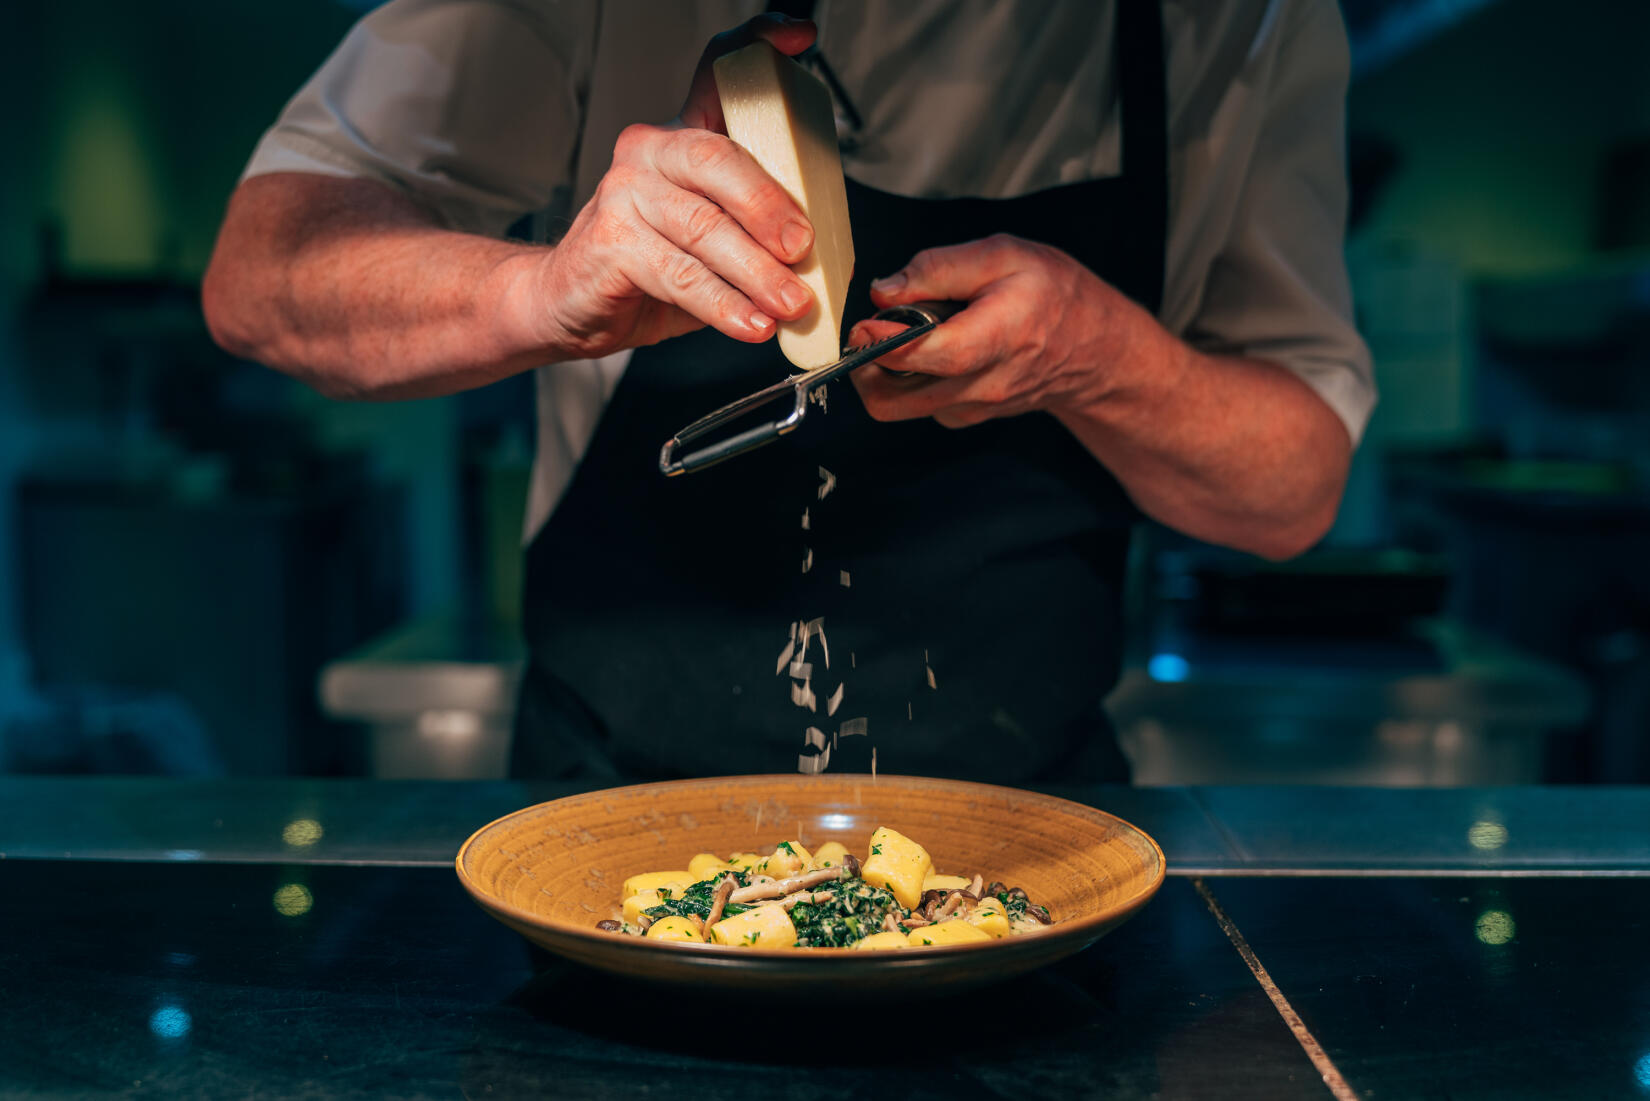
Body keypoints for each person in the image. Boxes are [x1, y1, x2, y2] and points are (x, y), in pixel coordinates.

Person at [203, 1, 1373, 784]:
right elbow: (261, 278)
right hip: (617, 842)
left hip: (1030, 869)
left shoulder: (1242, 27)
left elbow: (1294, 493)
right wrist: (541, 290)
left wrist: (1108, 359)